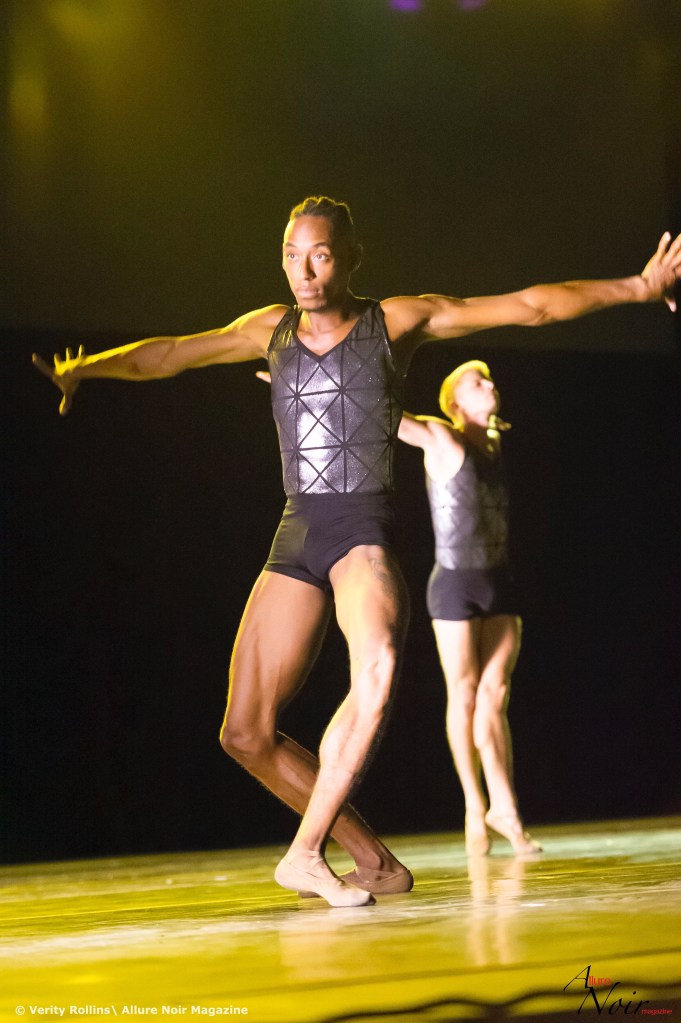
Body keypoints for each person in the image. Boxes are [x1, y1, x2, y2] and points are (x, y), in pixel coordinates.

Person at [33, 197, 680, 906]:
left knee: (377, 667)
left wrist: (639, 287)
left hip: (358, 532)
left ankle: (304, 853)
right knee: (245, 733)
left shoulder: (395, 321)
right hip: (297, 531)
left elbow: (530, 307)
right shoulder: (268, 330)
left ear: (349, 259)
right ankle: (373, 863)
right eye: (291, 255)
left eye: (319, 254)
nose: (304, 271)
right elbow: (169, 355)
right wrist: (86, 369)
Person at [398, 361, 540, 856]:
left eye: (489, 379)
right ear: (454, 403)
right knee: (463, 694)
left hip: (500, 582)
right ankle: (474, 805)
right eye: (477, 382)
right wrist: (310, 383)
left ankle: (505, 808)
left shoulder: (495, 444)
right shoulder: (442, 438)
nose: (490, 385)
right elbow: (381, 415)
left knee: (493, 694)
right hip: (455, 586)